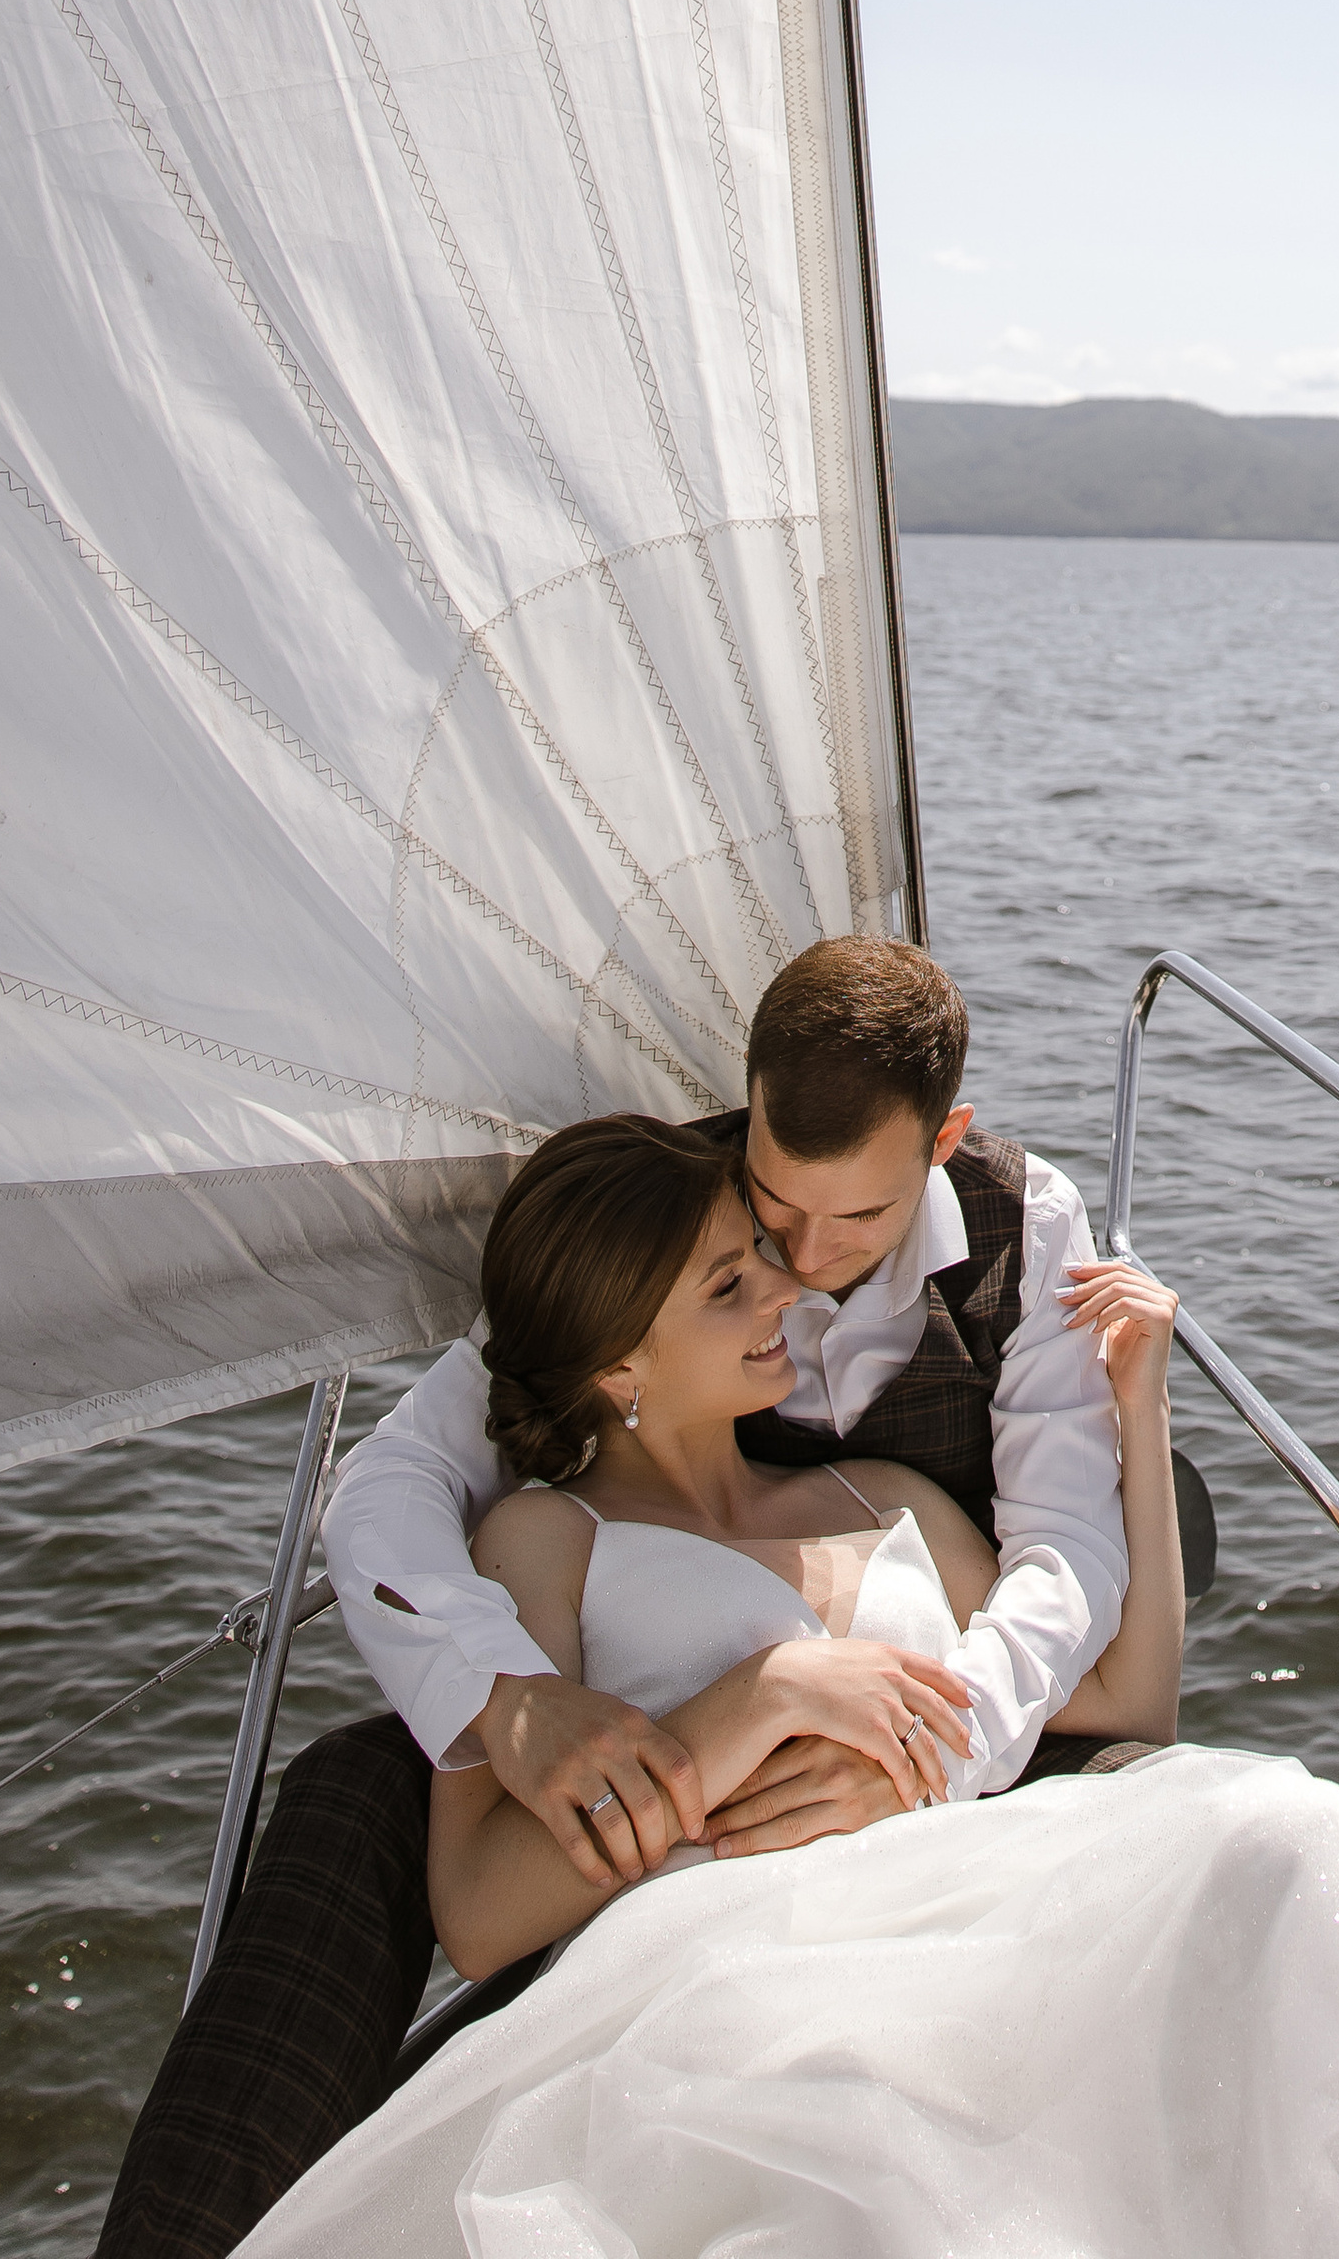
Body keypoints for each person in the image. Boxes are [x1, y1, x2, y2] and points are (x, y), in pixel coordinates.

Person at [228, 1114, 1339, 2257]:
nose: (791, 1288)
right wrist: (759, 1698)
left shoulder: (883, 1491)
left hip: (983, 1884)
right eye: (732, 1283)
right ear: (620, 1369)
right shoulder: (547, 1541)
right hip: (738, 1953)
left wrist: (1136, 1414)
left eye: (758, 1259)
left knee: (1310, 1836)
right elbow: (478, 1915)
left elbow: (1130, 1709)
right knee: (881, 2156)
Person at [97, 940, 1129, 2259]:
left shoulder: (1025, 1229)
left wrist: (947, 1747)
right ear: (744, 1104)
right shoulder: (663, 1220)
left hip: (941, 1677)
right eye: (770, 1210)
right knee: (355, 1791)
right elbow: (387, 1492)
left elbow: (1067, 1562)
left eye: (855, 1221)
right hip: (616, 1673)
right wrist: (505, 1697)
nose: (800, 1261)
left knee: (1169, 1821)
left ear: (945, 1142)